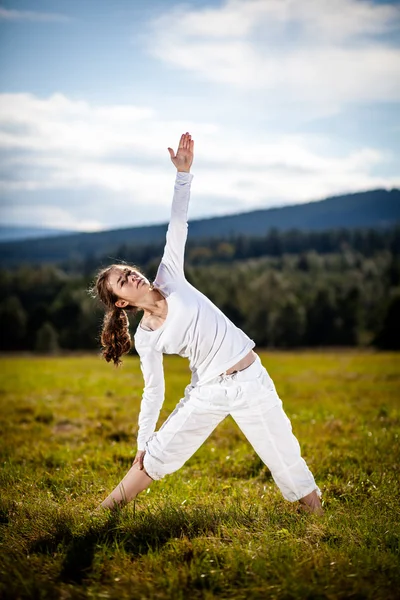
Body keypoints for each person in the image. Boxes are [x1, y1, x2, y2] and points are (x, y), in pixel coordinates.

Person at [93, 132, 323, 515]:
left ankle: (318, 523)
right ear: (121, 302)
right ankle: (102, 513)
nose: (131, 275)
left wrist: (183, 174)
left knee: (285, 458)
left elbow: (177, 225)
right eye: (122, 279)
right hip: (209, 390)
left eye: (128, 270)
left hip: (249, 378)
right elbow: (154, 392)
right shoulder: (147, 338)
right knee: (156, 455)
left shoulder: (170, 275)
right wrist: (142, 441)